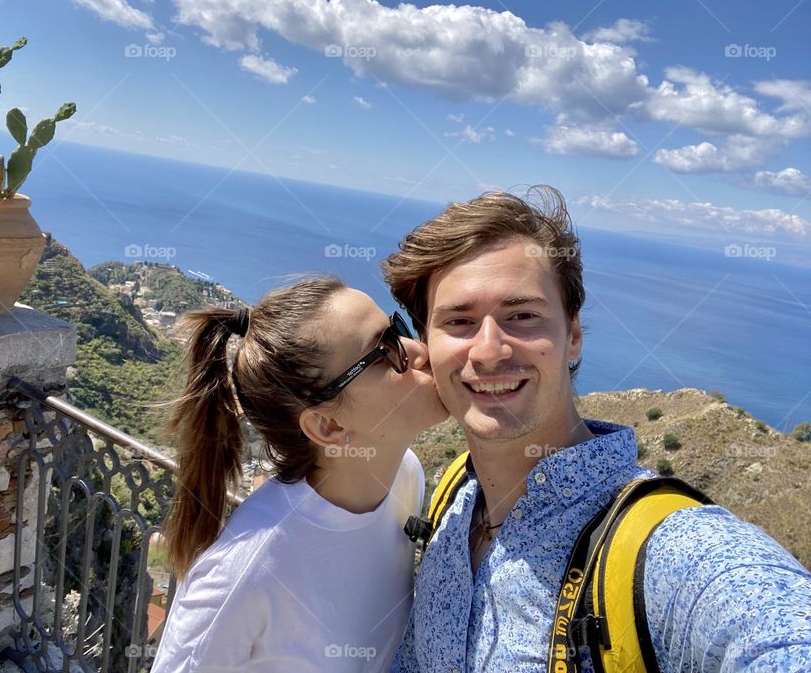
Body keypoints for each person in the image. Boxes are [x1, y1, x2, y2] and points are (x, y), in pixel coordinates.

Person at [383, 187, 811, 672]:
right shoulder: (454, 497)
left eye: (522, 316)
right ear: (426, 346)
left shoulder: (668, 549)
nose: (488, 351)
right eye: (459, 321)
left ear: (573, 336)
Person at [150, 277, 448, 672]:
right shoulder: (247, 568)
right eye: (384, 353)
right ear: (327, 426)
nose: (420, 351)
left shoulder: (404, 476)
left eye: (398, 330)